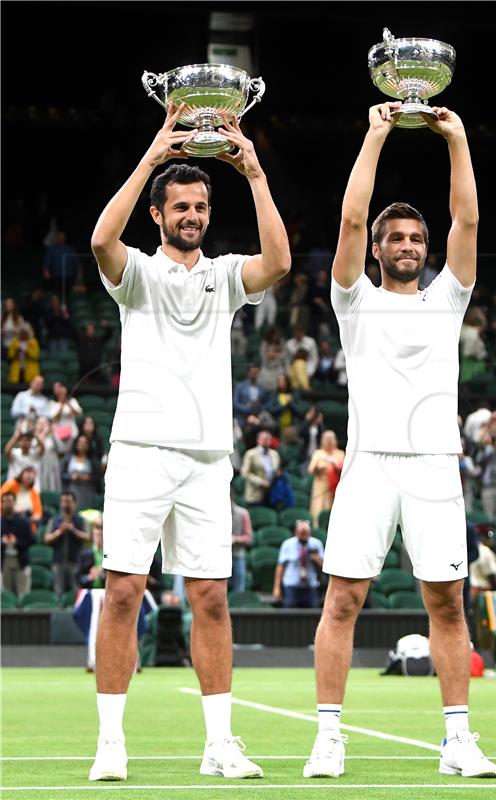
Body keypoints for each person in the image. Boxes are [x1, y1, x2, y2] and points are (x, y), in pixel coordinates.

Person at [88, 103, 290, 781]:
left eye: (200, 205)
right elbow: (98, 241)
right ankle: (111, 746)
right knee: (123, 592)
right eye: (180, 206)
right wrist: (153, 153)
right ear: (159, 214)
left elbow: (281, 262)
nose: (193, 215)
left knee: (210, 597)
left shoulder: (227, 275)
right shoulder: (137, 276)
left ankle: (218, 745)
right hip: (141, 450)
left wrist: (254, 172)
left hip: (207, 457)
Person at [303, 102, 496, 781]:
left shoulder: (447, 300)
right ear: (380, 250)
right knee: (342, 601)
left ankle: (456, 741)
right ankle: (328, 737)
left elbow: (467, 219)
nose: (410, 244)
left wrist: (457, 138)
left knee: (446, 602)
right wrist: (376, 132)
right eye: (399, 238)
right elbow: (351, 217)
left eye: (417, 237)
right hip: (367, 466)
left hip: (434, 468)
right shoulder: (352, 299)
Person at [44, 490, 90, 595]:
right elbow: (46, 539)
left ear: (74, 503)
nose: (66, 504)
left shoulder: (81, 520)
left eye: (68, 501)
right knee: (58, 592)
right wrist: (60, 532)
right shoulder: (54, 520)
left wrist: (72, 530)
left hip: (76, 562)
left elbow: (87, 536)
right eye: (63, 501)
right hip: (58, 562)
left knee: (76, 591)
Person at [272, 519, 324, 608]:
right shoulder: (287, 544)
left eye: (306, 532)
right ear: (296, 532)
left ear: (310, 532)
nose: (303, 535)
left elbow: (323, 566)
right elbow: (281, 567)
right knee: (289, 617)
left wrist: (317, 559)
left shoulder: (316, 544)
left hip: (311, 586)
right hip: (291, 586)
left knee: (313, 617)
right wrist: (277, 587)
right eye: (301, 532)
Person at [1, 490, 35, 598]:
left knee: (23, 594)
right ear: (1, 503)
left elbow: (32, 540)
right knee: (6, 594)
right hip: (4, 560)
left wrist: (17, 542)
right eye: (5, 501)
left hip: (21, 561)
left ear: (15, 503)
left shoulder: (24, 522)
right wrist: (2, 542)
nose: (7, 503)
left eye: (10, 501)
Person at [307, 430, 345, 528]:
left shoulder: (340, 453)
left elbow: (345, 471)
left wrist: (334, 464)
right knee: (318, 510)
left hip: (335, 487)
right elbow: (310, 470)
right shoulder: (318, 453)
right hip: (320, 486)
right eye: (326, 439)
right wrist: (320, 464)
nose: (328, 442)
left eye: (331, 439)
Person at [241, 430, 281, 506]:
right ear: (258, 440)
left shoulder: (275, 454)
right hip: (255, 492)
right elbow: (245, 473)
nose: (267, 441)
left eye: (269, 439)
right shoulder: (250, 454)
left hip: (271, 492)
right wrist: (261, 482)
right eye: (265, 439)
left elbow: (276, 469)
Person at [1, 466, 43, 534]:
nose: (29, 476)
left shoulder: (34, 493)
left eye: (31, 475)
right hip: (7, 519)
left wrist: (33, 518)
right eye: (27, 473)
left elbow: (38, 513)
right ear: (21, 475)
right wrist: (12, 509)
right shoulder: (11, 485)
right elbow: (2, 500)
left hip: (26, 522)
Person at [49, 381, 83, 452]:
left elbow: (78, 414)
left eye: (60, 387)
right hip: (58, 431)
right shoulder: (52, 403)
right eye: (56, 388)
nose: (59, 390)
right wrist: (61, 406)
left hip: (72, 430)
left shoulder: (72, 401)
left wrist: (68, 404)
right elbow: (54, 418)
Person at [229, 494, 253, 593]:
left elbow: (249, 538)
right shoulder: (214, 513)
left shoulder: (243, 513)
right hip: (217, 558)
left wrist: (235, 539)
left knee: (238, 591)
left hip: (237, 556)